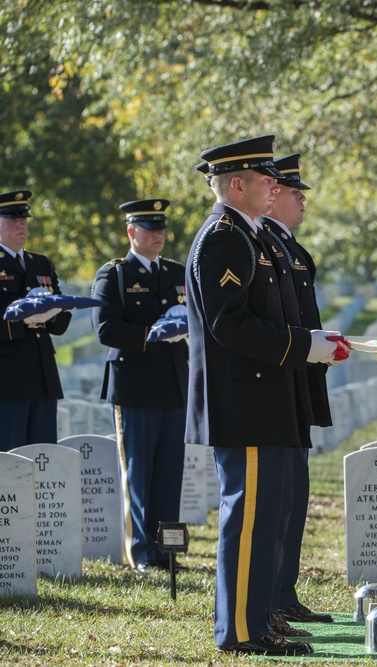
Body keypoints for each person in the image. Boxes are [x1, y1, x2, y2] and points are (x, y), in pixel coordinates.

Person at [185, 135, 348, 656]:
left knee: (261, 519)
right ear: (238, 184)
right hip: (246, 402)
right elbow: (229, 325)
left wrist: (307, 345)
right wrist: (303, 346)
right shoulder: (224, 238)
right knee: (248, 519)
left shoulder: (249, 236)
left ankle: (259, 621)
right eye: (265, 179)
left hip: (265, 399)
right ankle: (239, 630)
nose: (275, 186)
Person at [91, 199, 188, 572]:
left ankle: (168, 552)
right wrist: (153, 334)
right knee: (139, 473)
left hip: (174, 384)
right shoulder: (114, 274)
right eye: (149, 228)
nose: (158, 234)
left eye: (161, 228)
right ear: (131, 232)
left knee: (169, 474)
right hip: (135, 386)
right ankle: (142, 553)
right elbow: (106, 329)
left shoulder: (178, 272)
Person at [258, 154, 335, 626]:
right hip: (279, 380)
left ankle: (284, 591)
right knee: (279, 499)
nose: (300, 198)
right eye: (292, 191)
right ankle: (272, 595)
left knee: (295, 494)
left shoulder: (291, 249)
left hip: (300, 379)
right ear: (271, 198)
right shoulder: (263, 244)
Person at [0, 190, 73, 451]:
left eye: (23, 219)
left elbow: (63, 320)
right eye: (11, 219)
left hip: (43, 378)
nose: (20, 224)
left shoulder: (41, 264)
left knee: (45, 462)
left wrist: (52, 313)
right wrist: (24, 320)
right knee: (10, 461)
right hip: (7, 382)